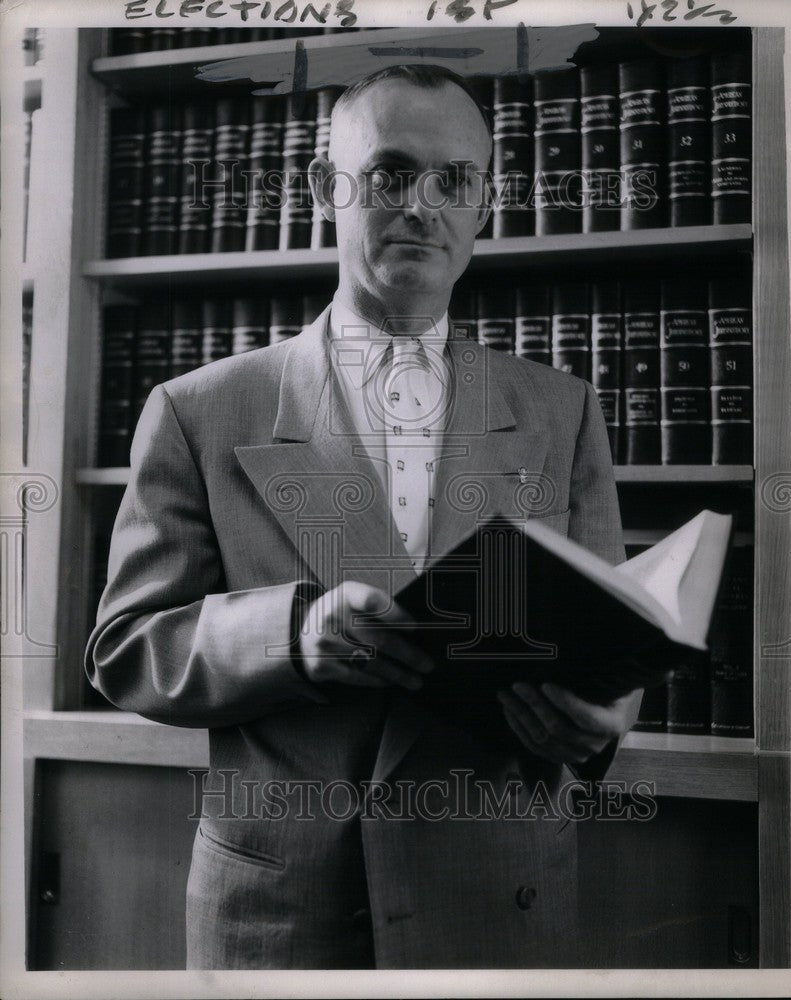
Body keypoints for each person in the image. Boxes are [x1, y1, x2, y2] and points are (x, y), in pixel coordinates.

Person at [85, 64, 643, 970]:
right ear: (323, 189)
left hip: (497, 902)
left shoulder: (563, 409)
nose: (420, 205)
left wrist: (597, 720)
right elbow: (125, 649)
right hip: (281, 913)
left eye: (453, 180)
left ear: (486, 205)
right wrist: (296, 636)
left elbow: (611, 646)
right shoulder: (197, 408)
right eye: (387, 174)